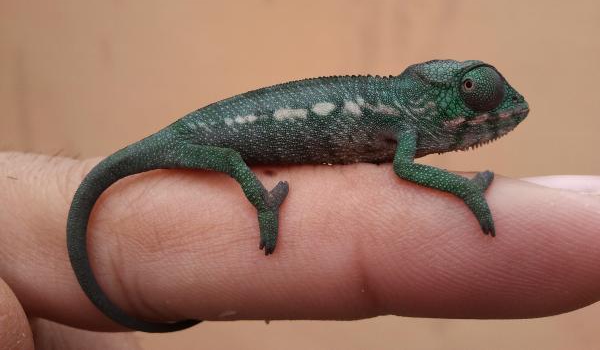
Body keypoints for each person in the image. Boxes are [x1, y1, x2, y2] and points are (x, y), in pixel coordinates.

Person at [1, 152, 599, 350]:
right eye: (471, 94)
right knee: (235, 164)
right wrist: (465, 188)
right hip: (211, 139)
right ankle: (262, 204)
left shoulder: (397, 108)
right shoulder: (407, 120)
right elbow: (405, 167)